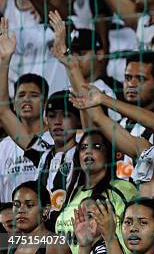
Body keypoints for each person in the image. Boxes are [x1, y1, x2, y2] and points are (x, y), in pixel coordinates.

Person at [55, 130, 138, 254]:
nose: (88, 151)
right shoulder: (72, 194)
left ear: (108, 154)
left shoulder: (124, 189)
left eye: (97, 147)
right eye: (83, 148)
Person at [0, 18, 53, 204]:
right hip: (9, 226)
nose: (27, 100)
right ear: (13, 103)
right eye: (21, 95)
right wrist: (4, 60)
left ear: (45, 102)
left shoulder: (56, 140)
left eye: (33, 95)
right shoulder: (3, 147)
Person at [10, 181, 61, 254]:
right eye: (16, 205)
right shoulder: (13, 243)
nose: (20, 210)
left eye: (29, 205)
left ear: (45, 210)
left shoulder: (55, 245)